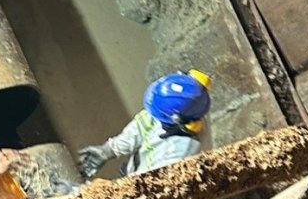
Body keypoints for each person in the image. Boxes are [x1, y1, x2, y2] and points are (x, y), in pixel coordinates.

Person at [77, 70, 211, 179]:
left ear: (177, 121)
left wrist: (80, 193)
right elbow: (141, 126)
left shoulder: (179, 153)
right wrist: (109, 150)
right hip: (134, 170)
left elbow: (142, 188)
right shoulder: (174, 110)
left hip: (144, 189)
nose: (151, 114)